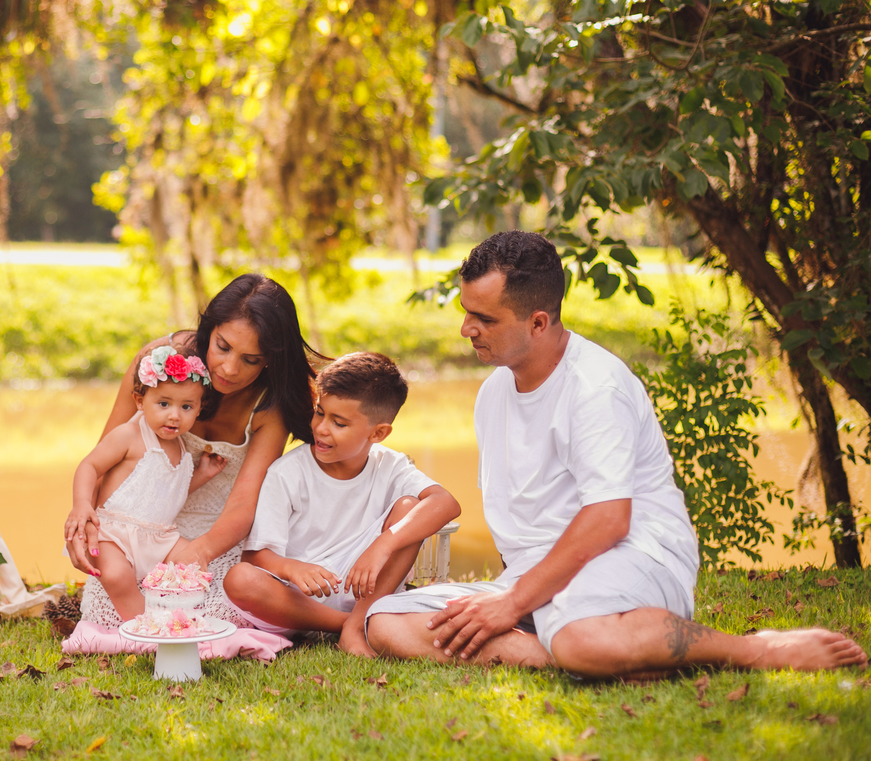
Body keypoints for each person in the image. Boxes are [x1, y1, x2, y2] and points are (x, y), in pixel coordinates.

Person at [365, 231, 868, 677]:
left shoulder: (595, 387)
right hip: (538, 575)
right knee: (387, 621)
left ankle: (753, 650)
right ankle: (567, 655)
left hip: (632, 556)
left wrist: (512, 604)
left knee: (583, 636)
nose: (466, 329)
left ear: (538, 323)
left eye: (483, 318)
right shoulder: (493, 394)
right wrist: (513, 596)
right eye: (465, 313)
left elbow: (609, 519)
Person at [67, 274, 321, 629]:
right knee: (117, 594)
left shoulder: (269, 406)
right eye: (223, 346)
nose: (230, 368)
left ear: (270, 360)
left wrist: (198, 552)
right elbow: (103, 460)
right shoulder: (156, 365)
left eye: (251, 359)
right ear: (208, 328)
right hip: (139, 524)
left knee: (214, 608)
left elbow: (244, 505)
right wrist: (86, 526)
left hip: (217, 538)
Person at [225, 352, 461, 656]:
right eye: (319, 413)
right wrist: (292, 568)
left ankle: (360, 619)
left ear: (378, 433)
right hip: (298, 601)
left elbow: (446, 503)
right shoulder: (287, 473)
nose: (321, 428)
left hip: (366, 590)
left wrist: (383, 545)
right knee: (240, 579)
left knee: (409, 506)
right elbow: (255, 557)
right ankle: (351, 626)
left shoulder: (390, 465)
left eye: (338, 422)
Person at [63, 346, 227, 620]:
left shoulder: (182, 447)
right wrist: (81, 505)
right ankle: (142, 628)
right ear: (140, 401)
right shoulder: (129, 435)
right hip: (114, 534)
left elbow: (170, 490)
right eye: (164, 404)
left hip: (161, 537)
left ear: (199, 409)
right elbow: (89, 465)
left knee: (195, 565)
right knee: (116, 576)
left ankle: (180, 615)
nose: (174, 415)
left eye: (186, 407)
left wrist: (202, 474)